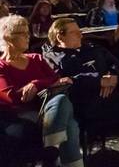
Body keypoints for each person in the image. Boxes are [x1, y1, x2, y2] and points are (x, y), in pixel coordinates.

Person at [43, 18, 119, 163]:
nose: (80, 35)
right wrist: (99, 80)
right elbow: (64, 81)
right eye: (75, 33)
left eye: (80, 32)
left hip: (116, 92)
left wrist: (112, 76)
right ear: (60, 37)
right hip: (91, 101)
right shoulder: (53, 57)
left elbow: (117, 65)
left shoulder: (92, 47)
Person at [0, 15, 83, 167]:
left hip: (46, 107)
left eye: (28, 32)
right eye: (22, 33)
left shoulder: (36, 58)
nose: (28, 36)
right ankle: (53, 155)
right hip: (20, 114)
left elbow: (57, 79)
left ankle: (51, 152)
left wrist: (36, 84)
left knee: (61, 101)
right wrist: (46, 85)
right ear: (8, 38)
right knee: (70, 124)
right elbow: (13, 98)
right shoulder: (2, 66)